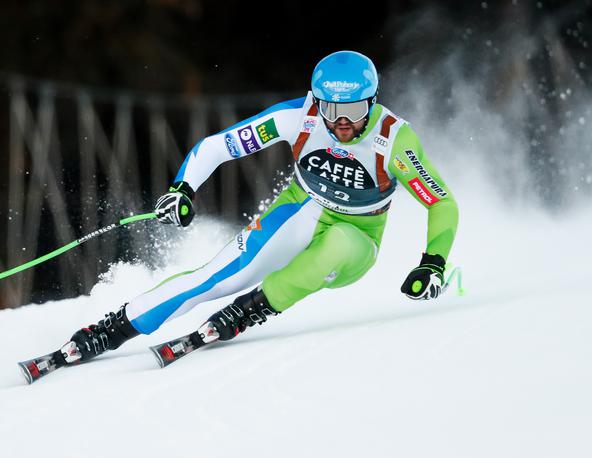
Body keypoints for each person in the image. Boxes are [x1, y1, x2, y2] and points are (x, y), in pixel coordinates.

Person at [55, 50, 459, 366]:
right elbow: (215, 147)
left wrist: (433, 264)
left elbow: (441, 203)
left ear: (372, 102)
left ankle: (249, 310)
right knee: (218, 276)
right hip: (299, 207)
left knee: (334, 244)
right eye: (330, 110)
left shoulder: (394, 140)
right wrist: (182, 189)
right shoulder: (297, 117)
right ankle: (113, 328)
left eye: (352, 112)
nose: (340, 123)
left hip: (359, 237)